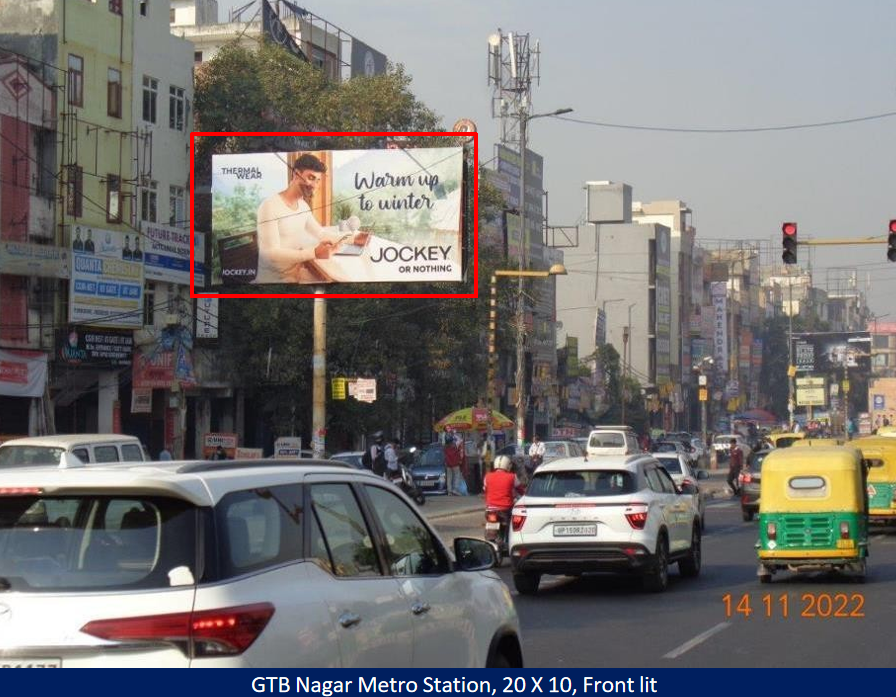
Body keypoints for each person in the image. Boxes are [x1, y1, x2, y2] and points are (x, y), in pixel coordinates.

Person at [255, 154, 369, 284]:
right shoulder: (269, 206)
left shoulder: (303, 206)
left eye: (318, 180)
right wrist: (314, 252)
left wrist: (354, 238)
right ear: (296, 174)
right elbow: (270, 254)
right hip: (274, 282)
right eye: (311, 178)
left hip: (296, 274)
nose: (315, 185)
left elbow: (321, 234)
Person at [483, 455, 525, 546]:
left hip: (490, 509)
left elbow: (485, 491)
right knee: (513, 523)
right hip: (505, 509)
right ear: (507, 465)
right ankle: (508, 540)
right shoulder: (512, 477)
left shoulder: (487, 476)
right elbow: (521, 491)